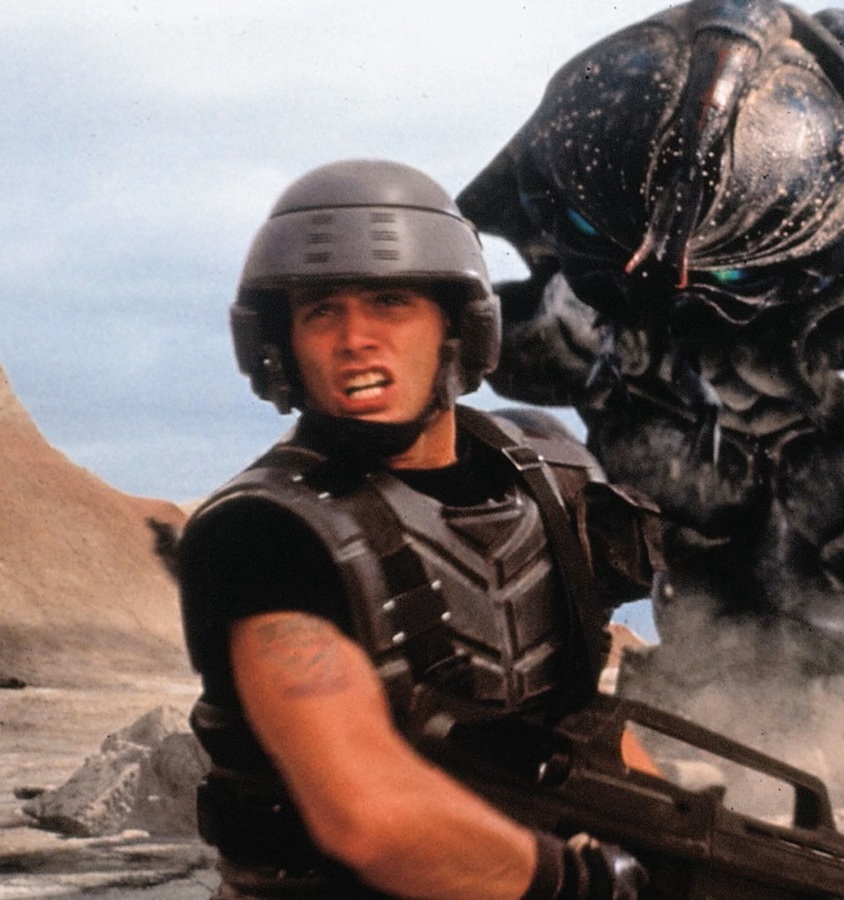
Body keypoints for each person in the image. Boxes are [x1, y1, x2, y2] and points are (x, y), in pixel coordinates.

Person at [178, 159, 663, 899]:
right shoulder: (262, 533)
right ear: (281, 347)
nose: (354, 338)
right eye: (321, 312)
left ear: (456, 328)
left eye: (390, 302)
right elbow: (367, 817)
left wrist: (678, 848)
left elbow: (585, 729)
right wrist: (582, 882)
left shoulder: (549, 481)